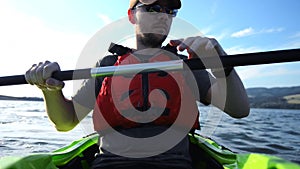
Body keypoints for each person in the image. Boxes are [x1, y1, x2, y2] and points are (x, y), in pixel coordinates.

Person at [25, 0, 250, 168]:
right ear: (132, 15)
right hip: (108, 165)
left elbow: (239, 109)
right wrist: (50, 91)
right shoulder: (107, 66)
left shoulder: (185, 66)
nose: (164, 16)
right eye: (153, 8)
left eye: (170, 11)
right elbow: (65, 122)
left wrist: (222, 64)